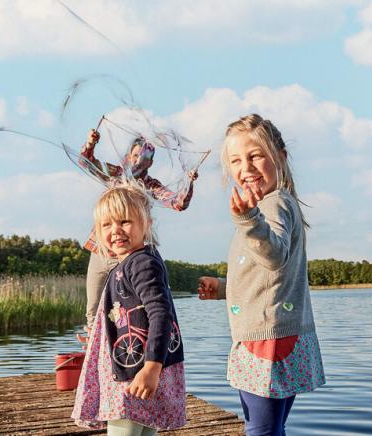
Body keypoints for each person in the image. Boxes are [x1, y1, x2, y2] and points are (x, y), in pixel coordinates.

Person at [197, 114, 325, 436]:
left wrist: (249, 219)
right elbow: (268, 276)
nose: (246, 167)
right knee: (270, 428)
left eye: (255, 155)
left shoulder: (273, 203)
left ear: (280, 157)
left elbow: (275, 254)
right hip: (276, 334)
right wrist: (225, 287)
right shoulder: (273, 204)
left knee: (261, 431)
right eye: (236, 160)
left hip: (267, 339)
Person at [72, 182, 186, 434]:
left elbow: (160, 313)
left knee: (125, 427)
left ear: (146, 224)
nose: (115, 231)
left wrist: (152, 367)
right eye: (106, 225)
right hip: (137, 368)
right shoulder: (133, 262)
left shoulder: (141, 263)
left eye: (124, 221)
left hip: (136, 372)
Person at [79, 128, 197, 331]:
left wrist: (188, 182)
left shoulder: (150, 185)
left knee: (130, 304)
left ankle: (133, 339)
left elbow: (178, 203)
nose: (138, 161)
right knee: (93, 306)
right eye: (135, 156)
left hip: (129, 254)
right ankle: (92, 346)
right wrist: (91, 143)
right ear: (127, 157)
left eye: (144, 158)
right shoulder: (115, 174)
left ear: (150, 163)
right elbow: (85, 162)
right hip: (102, 249)